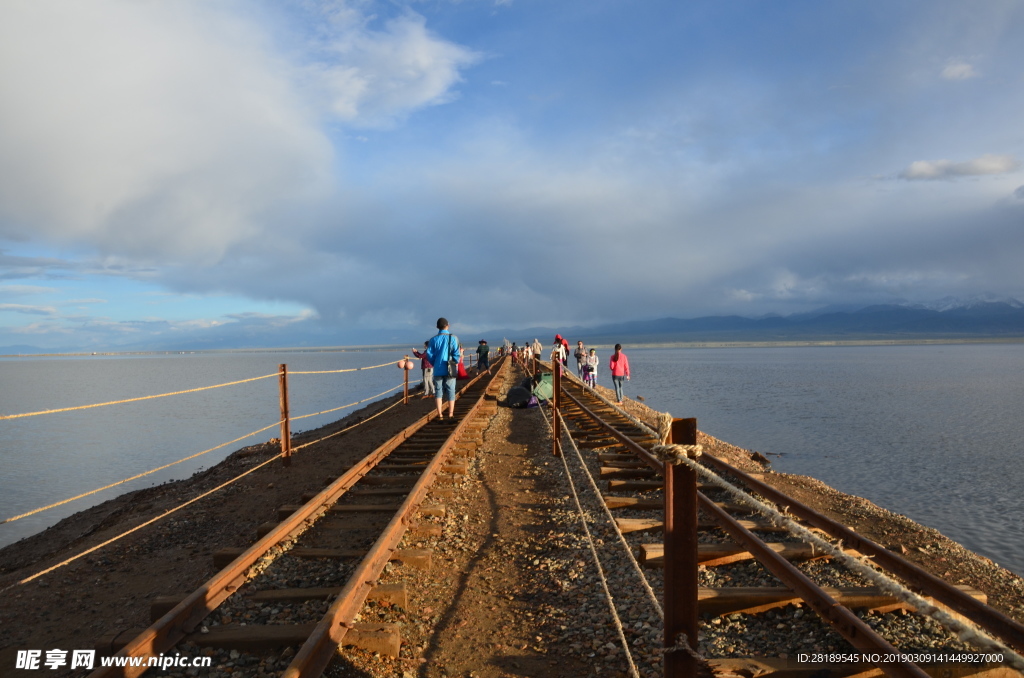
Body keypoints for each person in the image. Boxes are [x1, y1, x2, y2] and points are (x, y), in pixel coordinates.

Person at [425, 317, 461, 419]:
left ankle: (440, 415)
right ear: (448, 325)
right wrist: (455, 362)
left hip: (437, 369)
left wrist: (435, 363)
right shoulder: (453, 338)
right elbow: (456, 354)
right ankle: (450, 414)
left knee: (438, 391)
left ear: (437, 327)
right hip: (450, 369)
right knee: (451, 391)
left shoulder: (433, 340)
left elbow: (429, 355)